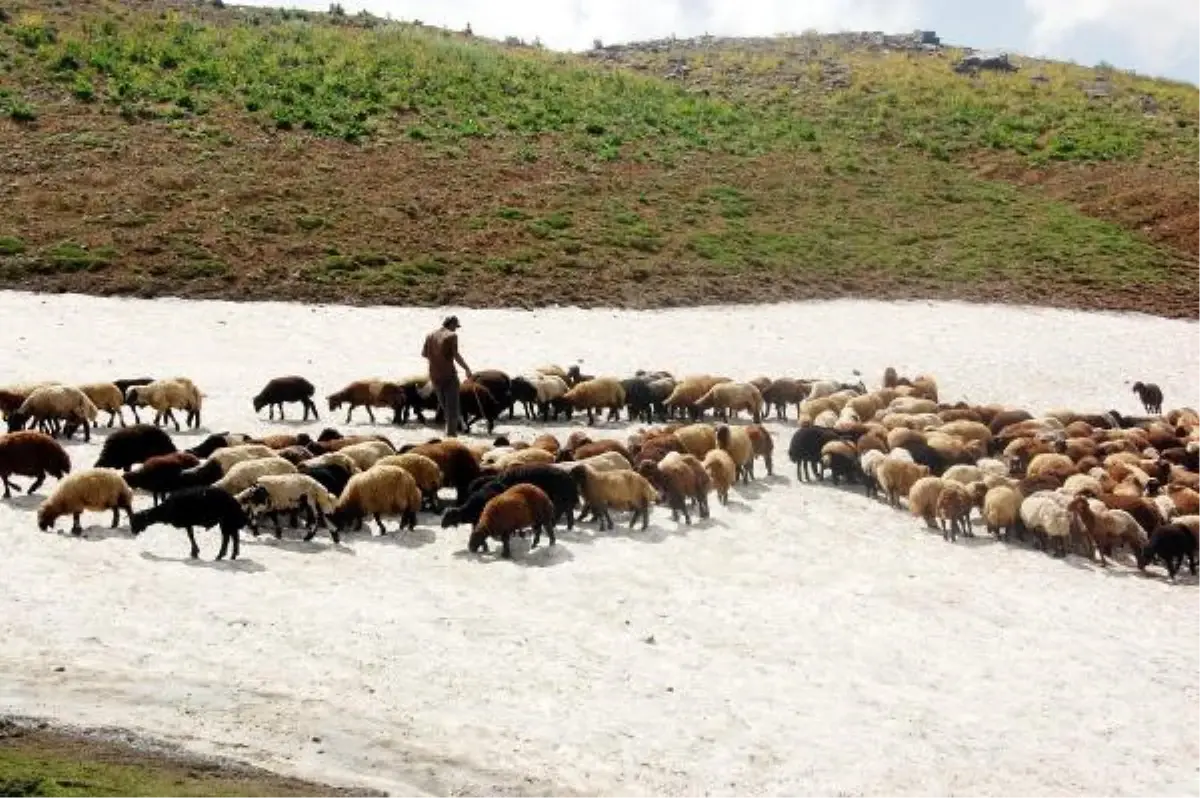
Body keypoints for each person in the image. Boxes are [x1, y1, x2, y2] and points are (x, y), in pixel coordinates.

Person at [421, 315, 473, 437]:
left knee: (445, 406)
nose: (456, 329)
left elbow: (424, 354)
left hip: (434, 375)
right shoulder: (451, 335)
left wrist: (437, 360)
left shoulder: (430, 335)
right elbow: (456, 355)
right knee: (453, 408)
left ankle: (450, 431)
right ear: (452, 324)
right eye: (456, 326)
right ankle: (451, 435)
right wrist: (466, 368)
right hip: (449, 375)